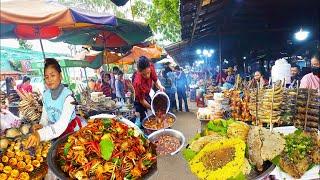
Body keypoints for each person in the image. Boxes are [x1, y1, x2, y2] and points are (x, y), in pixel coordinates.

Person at [26, 58, 82, 148]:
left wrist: (40, 135)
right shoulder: (46, 95)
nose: (49, 80)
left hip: (71, 133)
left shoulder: (68, 98)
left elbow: (61, 125)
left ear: (60, 76)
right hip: (53, 132)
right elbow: (45, 116)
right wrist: (41, 125)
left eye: (52, 75)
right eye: (46, 77)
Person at [133, 56, 165, 121]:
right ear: (139, 71)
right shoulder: (137, 83)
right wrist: (153, 109)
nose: (147, 76)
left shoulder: (151, 67)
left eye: (148, 73)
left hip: (147, 94)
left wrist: (160, 86)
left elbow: (156, 80)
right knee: (142, 117)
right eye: (144, 74)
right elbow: (142, 101)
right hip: (139, 100)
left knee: (152, 111)